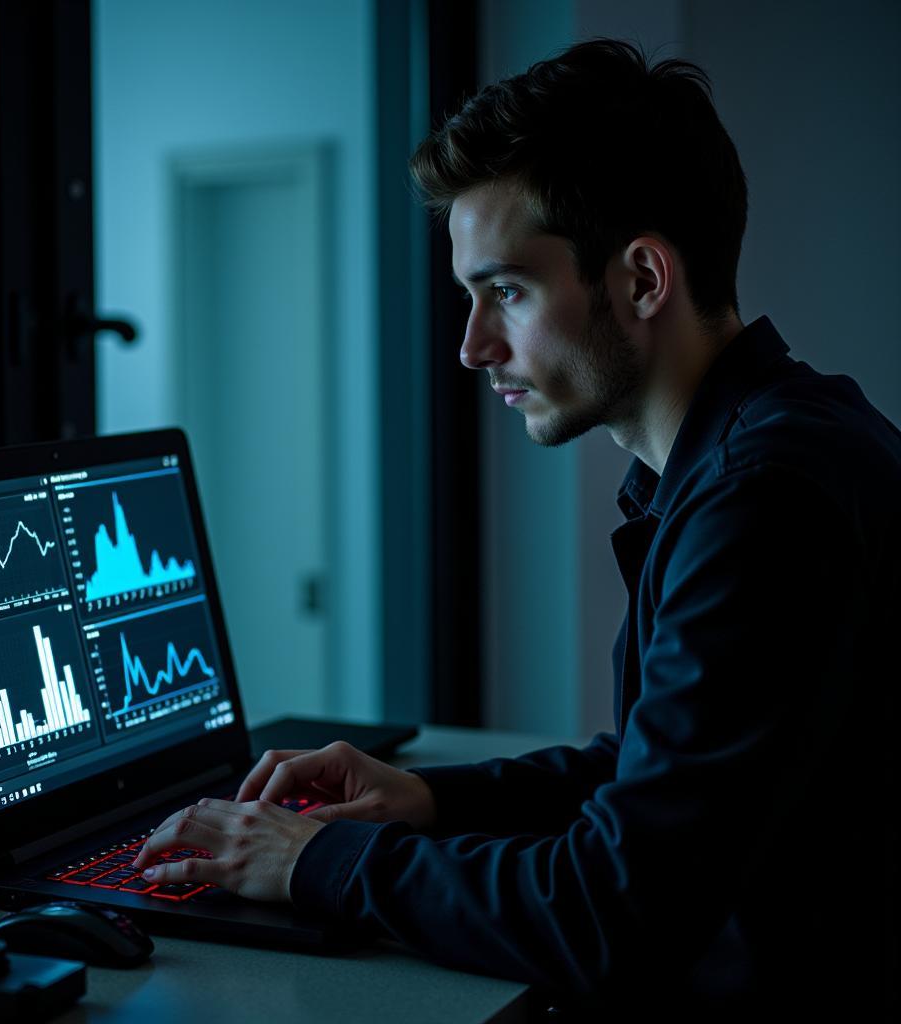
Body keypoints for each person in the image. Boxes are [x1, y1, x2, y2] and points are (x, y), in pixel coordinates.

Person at [132, 39, 899, 1016]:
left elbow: (611, 912)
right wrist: (434, 796)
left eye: (505, 291)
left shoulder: (762, 499)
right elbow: (658, 772)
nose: (470, 345)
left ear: (642, 280)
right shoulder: (760, 449)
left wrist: (323, 858)